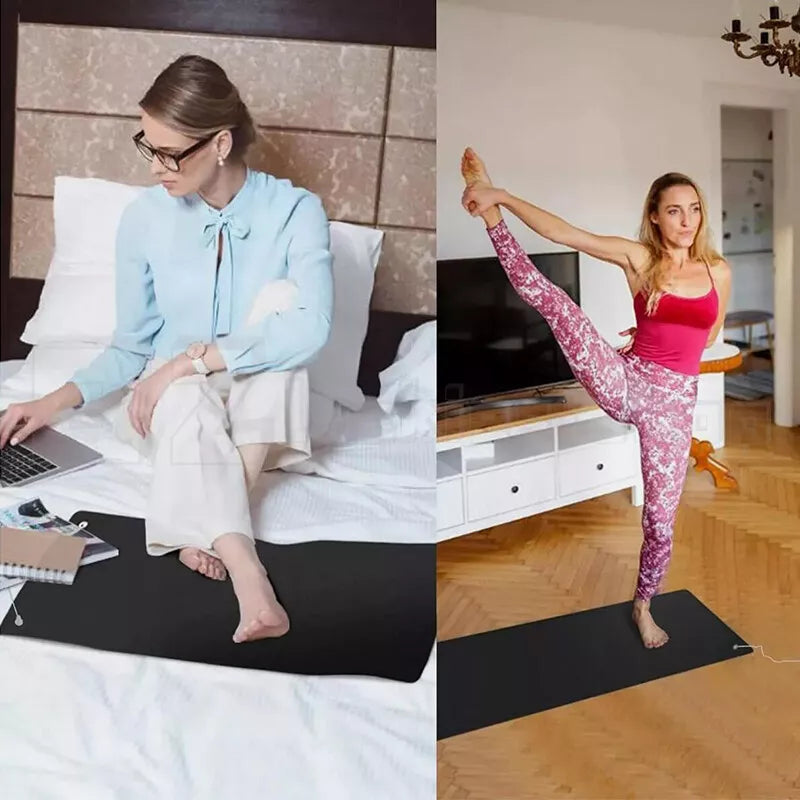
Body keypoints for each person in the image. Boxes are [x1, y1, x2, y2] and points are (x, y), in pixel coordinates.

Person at [0, 55, 333, 644]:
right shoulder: (144, 219)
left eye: (170, 153)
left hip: (264, 419)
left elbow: (310, 330)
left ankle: (198, 527)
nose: (156, 167)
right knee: (181, 397)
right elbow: (131, 349)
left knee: (279, 324)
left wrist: (188, 359)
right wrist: (49, 403)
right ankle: (246, 568)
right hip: (170, 411)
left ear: (222, 143)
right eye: (146, 147)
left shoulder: (295, 212)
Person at [460, 147, 731, 649]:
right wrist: (502, 195)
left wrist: (657, 329)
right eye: (675, 209)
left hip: (674, 407)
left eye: (693, 209)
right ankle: (492, 215)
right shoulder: (640, 257)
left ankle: (643, 605)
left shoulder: (718, 271)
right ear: (655, 215)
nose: (687, 219)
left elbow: (710, 334)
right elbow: (565, 234)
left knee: (661, 520)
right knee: (555, 302)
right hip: (627, 381)